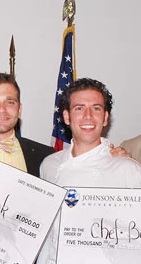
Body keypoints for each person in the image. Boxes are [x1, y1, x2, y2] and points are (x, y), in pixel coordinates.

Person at [37, 78, 141, 264]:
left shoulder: (127, 169)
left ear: (105, 117)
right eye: (79, 108)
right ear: (67, 117)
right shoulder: (49, 165)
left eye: (96, 108)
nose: (88, 116)